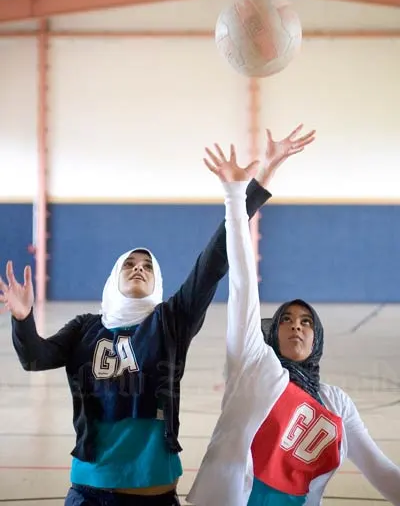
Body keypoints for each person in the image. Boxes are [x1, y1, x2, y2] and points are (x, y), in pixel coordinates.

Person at [1, 126, 315, 505]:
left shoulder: (170, 322)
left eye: (147, 266)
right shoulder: (84, 328)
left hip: (154, 493)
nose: (138, 268)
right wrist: (22, 319)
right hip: (89, 491)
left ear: (157, 280)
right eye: (129, 264)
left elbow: (214, 260)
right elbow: (35, 357)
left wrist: (254, 183)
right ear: (113, 277)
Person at [188, 143, 400, 506]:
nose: (295, 326)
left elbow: (382, 473)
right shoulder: (254, 365)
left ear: (317, 338)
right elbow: (241, 283)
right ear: (271, 334)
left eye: (305, 322)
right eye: (285, 319)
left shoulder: (337, 404)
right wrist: (235, 196)